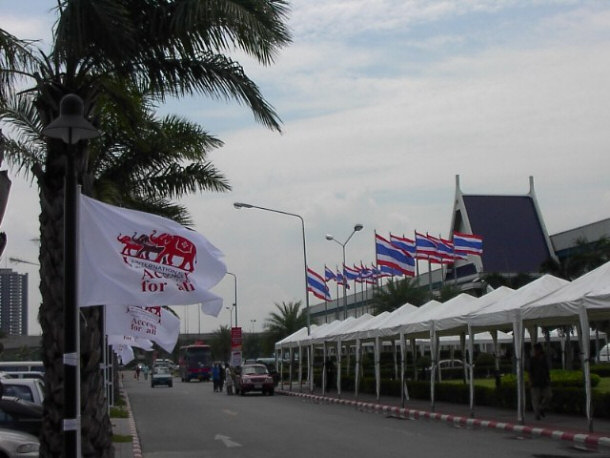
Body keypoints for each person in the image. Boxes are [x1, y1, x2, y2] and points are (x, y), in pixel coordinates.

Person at [528, 343, 551, 420]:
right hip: (535, 382)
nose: (534, 351)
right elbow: (530, 371)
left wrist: (548, 378)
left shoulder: (544, 358)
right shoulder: (532, 359)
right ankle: (537, 414)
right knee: (535, 399)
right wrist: (530, 380)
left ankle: (541, 408)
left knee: (548, 395)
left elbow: (547, 369)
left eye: (535, 350)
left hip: (544, 381)